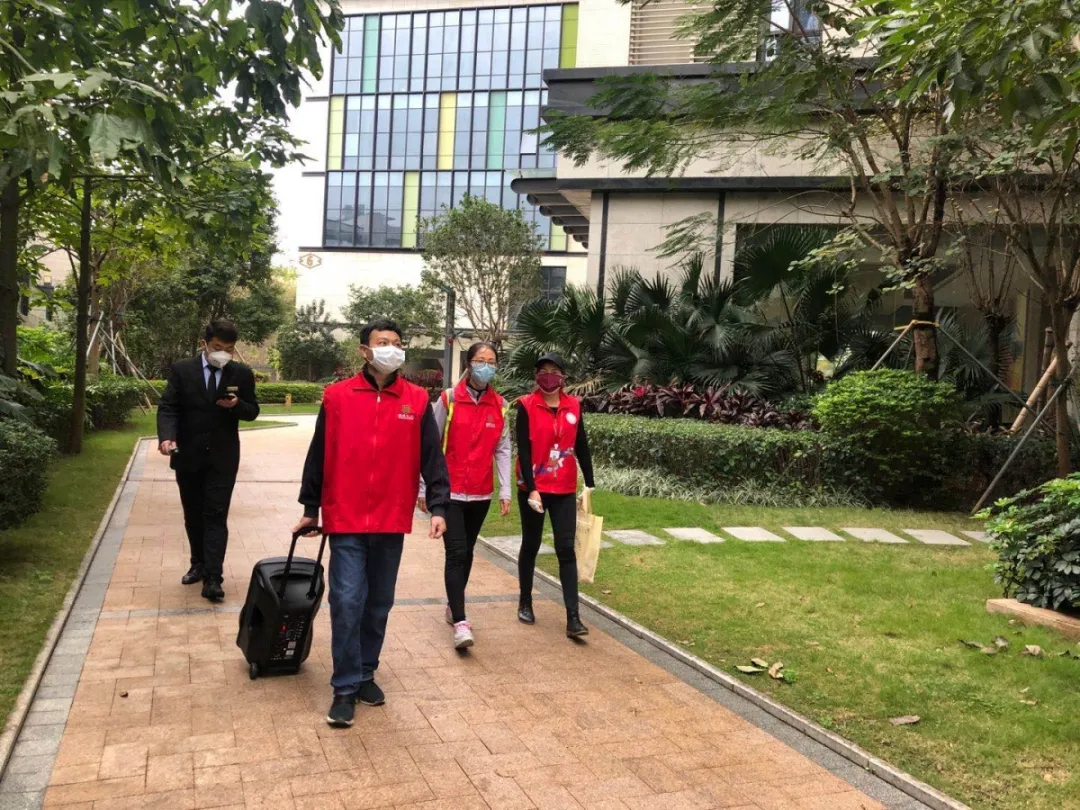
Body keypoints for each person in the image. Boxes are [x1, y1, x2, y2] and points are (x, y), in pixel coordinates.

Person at [293, 318, 450, 729]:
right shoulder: (337, 397)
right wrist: (311, 507)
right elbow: (319, 453)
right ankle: (344, 687)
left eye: (397, 342)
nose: (391, 348)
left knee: (379, 602)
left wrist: (438, 506)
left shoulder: (416, 400)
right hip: (344, 516)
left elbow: (432, 457)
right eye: (383, 342)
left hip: (390, 517)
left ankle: (365, 673)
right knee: (347, 600)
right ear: (364, 350)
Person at [157, 319, 260, 602]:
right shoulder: (182, 370)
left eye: (229, 348)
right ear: (205, 344)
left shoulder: (241, 373)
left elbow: (253, 411)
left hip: (222, 458)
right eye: (217, 347)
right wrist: (167, 437)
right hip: (188, 455)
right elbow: (168, 407)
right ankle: (198, 564)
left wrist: (237, 405)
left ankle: (214, 577)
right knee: (193, 514)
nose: (222, 353)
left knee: (215, 514)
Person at [417, 342, 511, 650]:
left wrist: (505, 490)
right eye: (480, 360)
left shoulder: (500, 405)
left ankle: (452, 602)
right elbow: (430, 444)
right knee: (456, 552)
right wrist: (424, 487)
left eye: (491, 361)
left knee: (468, 551)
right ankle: (460, 622)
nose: (486, 366)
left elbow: (503, 449)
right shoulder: (449, 399)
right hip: (450, 491)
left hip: (481, 493)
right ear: (469, 364)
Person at [516, 353, 595, 638]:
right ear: (536, 376)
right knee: (531, 544)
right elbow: (524, 449)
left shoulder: (574, 405)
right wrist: (532, 488)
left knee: (565, 549)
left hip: (564, 488)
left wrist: (590, 482)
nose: (548, 376)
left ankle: (573, 617)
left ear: (563, 376)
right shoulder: (526, 405)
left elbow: (581, 444)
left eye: (554, 370)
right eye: (543, 371)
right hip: (534, 488)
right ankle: (525, 601)